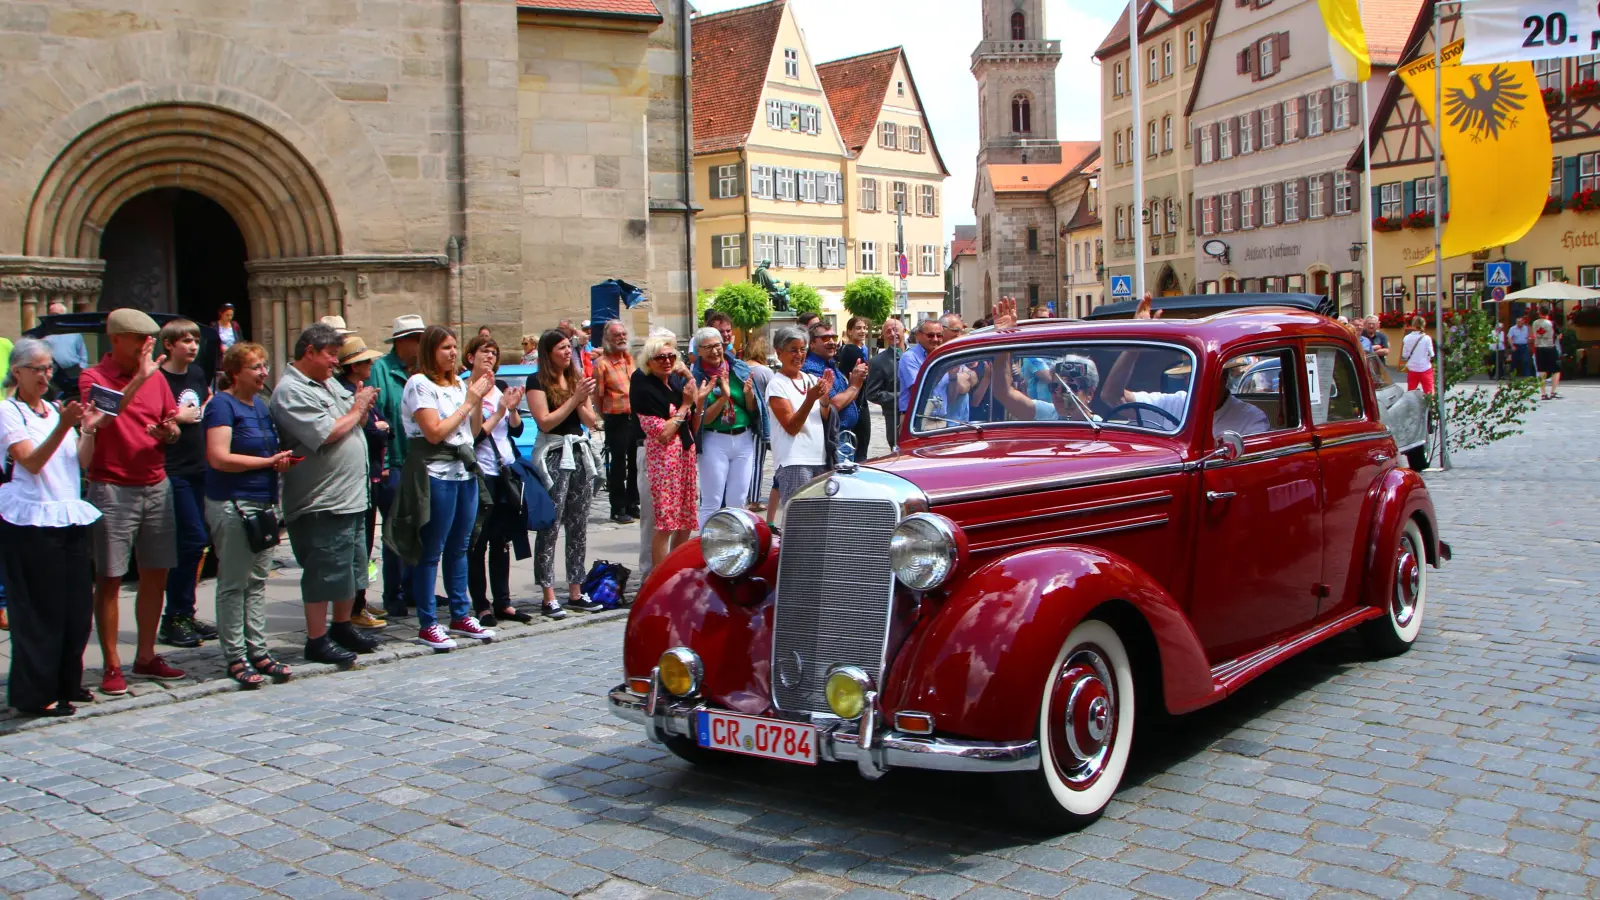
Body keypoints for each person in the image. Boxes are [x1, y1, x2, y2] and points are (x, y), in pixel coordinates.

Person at [80, 308, 185, 694]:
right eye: (141, 340)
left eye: (150, 340)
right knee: (109, 577)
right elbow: (103, 418)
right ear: (117, 340)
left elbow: (170, 425)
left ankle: (145, 655)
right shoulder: (93, 377)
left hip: (156, 483)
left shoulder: (156, 378)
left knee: (156, 572)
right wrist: (139, 379)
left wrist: (168, 431)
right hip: (112, 487)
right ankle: (110, 664)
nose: (148, 347)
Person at [2, 339, 104, 716]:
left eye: (49, 369)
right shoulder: (9, 411)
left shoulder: (53, 410)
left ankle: (67, 682)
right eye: (39, 369)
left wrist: (88, 430)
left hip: (68, 515)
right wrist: (64, 425)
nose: (47, 376)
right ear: (18, 372)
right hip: (30, 519)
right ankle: (35, 692)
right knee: (39, 611)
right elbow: (30, 461)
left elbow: (80, 463)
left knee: (75, 608)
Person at [271, 323, 382, 666]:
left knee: (350, 568)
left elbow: (351, 423)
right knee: (324, 570)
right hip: (322, 500)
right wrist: (357, 407)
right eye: (331, 354)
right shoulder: (292, 390)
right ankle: (317, 639)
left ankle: (342, 625)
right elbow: (327, 432)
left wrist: (358, 410)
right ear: (309, 352)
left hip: (350, 496)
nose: (337, 362)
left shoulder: (328, 382)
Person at [390, 325, 498, 650]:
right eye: (445, 348)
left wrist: (476, 400)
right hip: (434, 472)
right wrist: (469, 401)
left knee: (460, 546)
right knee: (431, 548)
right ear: (430, 352)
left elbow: (474, 430)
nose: (452, 353)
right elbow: (434, 432)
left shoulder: (458, 385)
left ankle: (460, 613)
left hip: (462, 471)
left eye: (454, 347)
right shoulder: (419, 384)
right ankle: (427, 621)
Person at [204, 342, 296, 688]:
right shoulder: (222, 406)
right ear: (234, 372)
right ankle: (235, 655)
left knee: (257, 581)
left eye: (264, 366)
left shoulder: (260, 406)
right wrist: (268, 463)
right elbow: (219, 457)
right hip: (233, 503)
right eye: (255, 367)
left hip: (263, 502)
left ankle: (257, 649)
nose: (263, 373)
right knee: (233, 583)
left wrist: (279, 462)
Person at [527, 329, 606, 616]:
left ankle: (576, 589)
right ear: (548, 352)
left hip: (578, 452)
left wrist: (585, 400)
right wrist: (574, 399)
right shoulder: (536, 380)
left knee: (578, 525)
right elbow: (546, 422)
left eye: (567, 347)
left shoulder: (574, 378)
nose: (565, 352)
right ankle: (548, 595)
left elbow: (591, 421)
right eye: (560, 348)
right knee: (551, 524)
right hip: (554, 454)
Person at [156, 319, 218, 650]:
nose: (193, 346)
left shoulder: (195, 374)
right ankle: (174, 617)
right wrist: (174, 417)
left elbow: (204, 399)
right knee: (191, 539)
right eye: (185, 341)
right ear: (168, 345)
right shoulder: (159, 377)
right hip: (173, 469)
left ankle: (186, 612)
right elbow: (147, 416)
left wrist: (204, 410)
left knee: (197, 542)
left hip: (198, 466)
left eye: (195, 340)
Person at [463, 336, 532, 626]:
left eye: (494, 352)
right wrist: (500, 412)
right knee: (477, 543)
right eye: (484, 352)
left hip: (504, 471)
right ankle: (481, 604)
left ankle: (503, 601)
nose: (490, 357)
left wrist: (513, 409)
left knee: (501, 541)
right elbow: (474, 436)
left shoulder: (500, 388)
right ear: (470, 357)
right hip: (480, 473)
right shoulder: (465, 390)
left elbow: (515, 431)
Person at [334, 335, 391, 630]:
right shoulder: (348, 392)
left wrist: (379, 427)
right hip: (359, 475)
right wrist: (378, 427)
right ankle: (353, 607)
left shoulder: (361, 390)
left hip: (373, 471)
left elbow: (382, 424)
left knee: (365, 544)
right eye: (366, 361)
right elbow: (370, 428)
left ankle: (359, 601)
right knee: (359, 543)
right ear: (354, 366)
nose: (371, 364)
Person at [370, 315, 425, 618]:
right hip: (394, 461)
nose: (420, 345)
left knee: (420, 527)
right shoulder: (380, 370)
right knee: (395, 529)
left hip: (419, 460)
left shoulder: (422, 370)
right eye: (416, 339)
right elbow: (378, 417)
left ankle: (416, 588)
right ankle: (394, 592)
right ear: (402, 341)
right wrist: (386, 460)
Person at [632, 331, 700, 565]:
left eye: (671, 356)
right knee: (665, 523)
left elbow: (694, 406)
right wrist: (685, 406)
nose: (667, 361)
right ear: (649, 361)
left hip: (684, 455)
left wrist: (688, 374)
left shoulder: (674, 381)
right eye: (660, 357)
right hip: (663, 459)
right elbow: (663, 433)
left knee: (685, 518)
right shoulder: (644, 388)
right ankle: (659, 577)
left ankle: (677, 570)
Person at [691, 327, 763, 528]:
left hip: (743, 437)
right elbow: (704, 420)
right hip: (715, 439)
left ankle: (735, 546)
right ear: (699, 350)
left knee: (738, 500)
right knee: (712, 500)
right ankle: (705, 548)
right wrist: (724, 396)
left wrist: (749, 395)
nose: (715, 351)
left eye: (718, 345)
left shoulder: (738, 367)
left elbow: (751, 410)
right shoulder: (697, 377)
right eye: (708, 348)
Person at [766, 325, 832, 517]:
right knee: (800, 519)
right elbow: (791, 427)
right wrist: (810, 399)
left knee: (820, 519)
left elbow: (824, 417)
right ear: (779, 353)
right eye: (793, 350)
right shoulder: (776, 384)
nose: (799, 355)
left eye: (803, 349)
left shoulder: (811, 379)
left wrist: (825, 400)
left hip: (819, 458)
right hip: (794, 460)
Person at [594, 320, 640, 524]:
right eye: (616, 335)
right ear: (608, 340)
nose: (621, 338)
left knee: (636, 463)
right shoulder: (602, 363)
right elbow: (597, 396)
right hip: (617, 419)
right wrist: (606, 417)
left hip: (635, 417)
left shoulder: (630, 359)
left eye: (623, 334)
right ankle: (618, 507)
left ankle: (633, 503)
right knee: (619, 465)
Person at [802, 322, 867, 462]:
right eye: (826, 338)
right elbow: (834, 404)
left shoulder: (830, 364)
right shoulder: (813, 368)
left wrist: (854, 382)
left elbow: (846, 398)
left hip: (844, 437)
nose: (832, 342)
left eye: (833, 337)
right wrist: (855, 386)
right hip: (833, 438)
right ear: (812, 343)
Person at [740, 336, 775, 509]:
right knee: (757, 461)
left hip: (744, 419)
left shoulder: (740, 367)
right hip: (761, 421)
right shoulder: (765, 371)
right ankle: (753, 499)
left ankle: (743, 495)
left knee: (745, 460)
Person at [864, 319, 905, 449]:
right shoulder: (878, 361)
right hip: (895, 419)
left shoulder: (917, 354)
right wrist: (902, 397)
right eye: (888, 332)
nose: (893, 334)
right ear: (884, 336)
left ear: (904, 331)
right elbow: (872, 394)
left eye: (896, 329)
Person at [837, 316, 873, 459]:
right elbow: (866, 378)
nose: (863, 331)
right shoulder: (853, 350)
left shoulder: (858, 349)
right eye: (858, 328)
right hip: (856, 403)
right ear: (849, 331)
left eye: (864, 328)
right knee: (860, 449)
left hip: (857, 401)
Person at [898, 318, 945, 416]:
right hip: (916, 419)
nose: (935, 339)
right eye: (930, 335)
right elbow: (918, 388)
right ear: (918, 335)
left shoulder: (944, 357)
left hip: (942, 418)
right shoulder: (910, 357)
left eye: (939, 335)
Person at [204, 304, 245, 383]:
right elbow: (211, 341)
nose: (229, 317)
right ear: (221, 314)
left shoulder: (235, 325)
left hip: (233, 354)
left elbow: (240, 339)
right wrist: (220, 347)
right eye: (227, 315)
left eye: (231, 315)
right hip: (220, 357)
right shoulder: (214, 326)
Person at [1400, 315, 1437, 394]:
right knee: (1429, 392)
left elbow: (1405, 355)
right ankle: (1430, 405)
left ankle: (1412, 406)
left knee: (1411, 392)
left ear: (1413, 325)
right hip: (1425, 368)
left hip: (1412, 368)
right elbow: (1432, 354)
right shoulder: (1427, 338)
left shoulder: (1407, 338)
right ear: (1424, 325)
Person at [1531, 307, 1562, 399]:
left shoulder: (1535, 323)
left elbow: (1534, 334)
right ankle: (1553, 392)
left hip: (1539, 349)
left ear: (1539, 312)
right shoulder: (1552, 323)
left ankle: (1543, 394)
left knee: (1541, 370)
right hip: (1550, 348)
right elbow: (1559, 336)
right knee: (1556, 370)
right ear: (1548, 313)